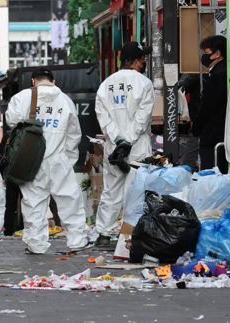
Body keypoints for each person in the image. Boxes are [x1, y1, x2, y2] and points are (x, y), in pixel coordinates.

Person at [6, 68, 91, 254]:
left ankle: (37, 244)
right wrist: (69, 159)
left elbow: (11, 121)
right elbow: (74, 134)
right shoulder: (66, 100)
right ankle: (77, 240)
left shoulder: (22, 97)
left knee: (34, 202)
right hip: (59, 158)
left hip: (31, 158)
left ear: (33, 81)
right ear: (53, 80)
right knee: (69, 200)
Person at [94, 41, 154, 245]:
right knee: (135, 192)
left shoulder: (105, 85)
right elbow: (142, 117)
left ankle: (104, 233)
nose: (143, 62)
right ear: (132, 61)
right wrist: (128, 141)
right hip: (137, 148)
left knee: (111, 191)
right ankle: (130, 236)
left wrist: (118, 140)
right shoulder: (145, 83)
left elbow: (103, 119)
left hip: (113, 148)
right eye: (141, 59)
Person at [193, 35, 228, 173]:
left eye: (207, 53)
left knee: (211, 174)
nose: (204, 57)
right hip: (221, 133)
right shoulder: (224, 72)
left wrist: (196, 126)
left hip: (213, 135)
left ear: (218, 54)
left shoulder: (218, 75)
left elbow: (208, 106)